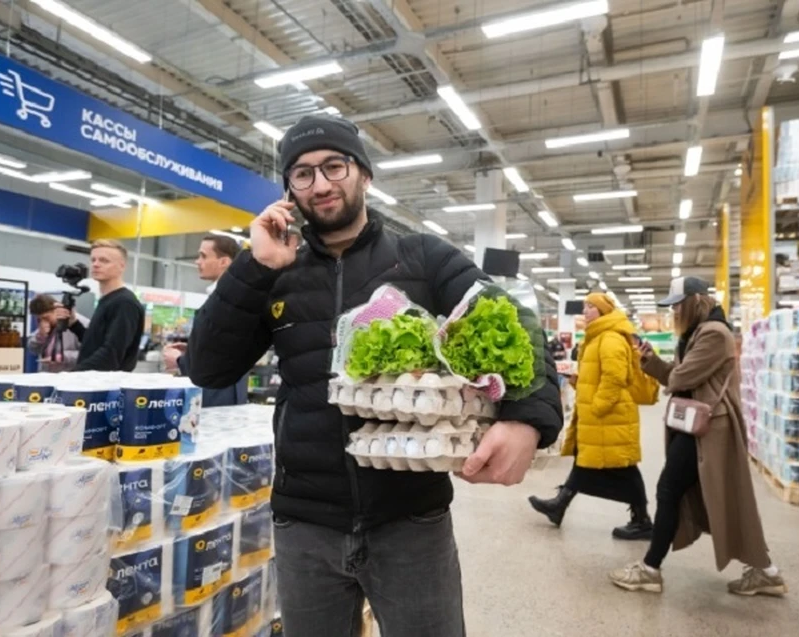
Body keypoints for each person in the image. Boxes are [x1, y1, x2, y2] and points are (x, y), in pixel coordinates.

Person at [186, 114, 562, 637]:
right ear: (289, 191)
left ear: (364, 174)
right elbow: (207, 366)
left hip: (409, 520)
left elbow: (514, 327)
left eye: (333, 166)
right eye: (302, 173)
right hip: (305, 523)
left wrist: (527, 419)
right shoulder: (275, 272)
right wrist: (253, 265)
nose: (320, 184)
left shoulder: (424, 259)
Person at [609, 276, 786, 597]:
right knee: (716, 499)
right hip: (696, 424)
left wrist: (670, 369)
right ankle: (767, 572)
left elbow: (680, 377)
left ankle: (650, 569)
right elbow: (678, 377)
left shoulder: (714, 334)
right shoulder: (698, 333)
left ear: (695, 301)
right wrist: (651, 361)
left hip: (708, 429)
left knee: (670, 489)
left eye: (678, 305)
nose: (674, 311)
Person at [528, 292, 653, 540]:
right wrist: (578, 382)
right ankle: (560, 504)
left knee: (623, 467)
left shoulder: (609, 338)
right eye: (584, 306)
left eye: (590, 307)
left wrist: (598, 406)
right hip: (605, 416)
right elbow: (598, 378)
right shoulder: (598, 337)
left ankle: (642, 520)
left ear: (603, 311)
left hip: (610, 415)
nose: (585, 311)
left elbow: (614, 378)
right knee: (585, 460)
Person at [163, 235, 248, 407]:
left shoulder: (230, 300)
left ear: (223, 261)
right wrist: (195, 347)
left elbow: (224, 358)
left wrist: (180, 361)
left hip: (218, 395)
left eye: (203, 256)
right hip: (219, 391)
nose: (197, 261)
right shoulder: (224, 297)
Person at [72, 240, 145, 372]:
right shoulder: (107, 300)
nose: (96, 264)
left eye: (104, 261)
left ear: (122, 266)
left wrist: (71, 376)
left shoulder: (124, 303)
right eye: (93, 260)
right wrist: (74, 325)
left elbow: (110, 355)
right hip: (94, 383)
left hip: (106, 387)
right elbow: (96, 343)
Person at [27, 294, 83, 372]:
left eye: (46, 317)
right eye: (39, 319)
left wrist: (62, 356)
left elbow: (89, 353)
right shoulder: (44, 324)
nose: (43, 322)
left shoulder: (81, 323)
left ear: (56, 309)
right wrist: (40, 336)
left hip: (70, 377)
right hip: (46, 375)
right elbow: (33, 350)